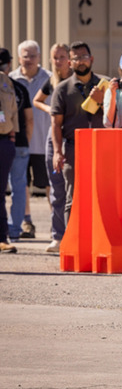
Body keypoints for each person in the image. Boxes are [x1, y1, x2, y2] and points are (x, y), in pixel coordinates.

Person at [51, 41, 106, 225]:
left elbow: (115, 117)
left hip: (102, 149)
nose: (81, 62)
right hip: (73, 150)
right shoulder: (62, 89)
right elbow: (56, 124)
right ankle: (71, 246)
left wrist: (102, 102)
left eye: (84, 57)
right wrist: (58, 152)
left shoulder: (104, 85)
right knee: (72, 199)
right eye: (76, 58)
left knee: (103, 197)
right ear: (69, 63)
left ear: (91, 59)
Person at [9, 40, 52, 239]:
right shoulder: (10, 80)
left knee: (49, 184)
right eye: (25, 56)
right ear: (18, 58)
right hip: (21, 143)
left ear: (39, 57)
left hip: (43, 142)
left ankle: (57, 223)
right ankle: (27, 221)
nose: (29, 60)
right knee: (23, 184)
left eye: (32, 55)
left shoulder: (50, 79)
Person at [33, 43, 73, 253]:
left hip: (72, 137)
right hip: (53, 137)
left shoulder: (77, 79)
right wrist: (51, 108)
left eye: (62, 57)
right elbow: (37, 100)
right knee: (56, 187)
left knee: (73, 189)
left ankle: (74, 234)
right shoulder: (52, 81)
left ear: (70, 59)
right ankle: (58, 236)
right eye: (54, 58)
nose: (58, 61)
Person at [2, 49, 34, 245]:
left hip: (4, 140)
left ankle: (4, 230)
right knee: (19, 188)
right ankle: (15, 229)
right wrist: (25, 141)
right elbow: (29, 120)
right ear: (9, 64)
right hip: (19, 143)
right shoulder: (18, 88)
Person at [0, 51, 19, 253]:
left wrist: (12, 137)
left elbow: (11, 111)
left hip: (4, 142)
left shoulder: (6, 82)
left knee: (0, 194)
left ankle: (1, 237)